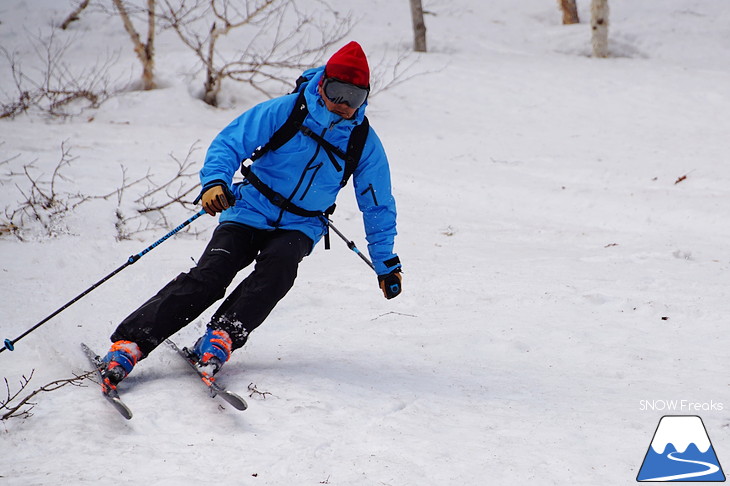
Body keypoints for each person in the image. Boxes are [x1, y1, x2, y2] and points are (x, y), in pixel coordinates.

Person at [98, 41, 403, 392]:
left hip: (301, 224)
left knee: (279, 270)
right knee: (211, 275)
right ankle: (130, 344)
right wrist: (215, 183)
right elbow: (229, 143)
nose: (343, 104)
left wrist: (386, 263)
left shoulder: (363, 141)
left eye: (355, 96)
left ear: (366, 97)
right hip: (249, 209)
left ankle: (221, 337)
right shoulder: (287, 111)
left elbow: (377, 204)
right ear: (322, 85)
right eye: (337, 91)